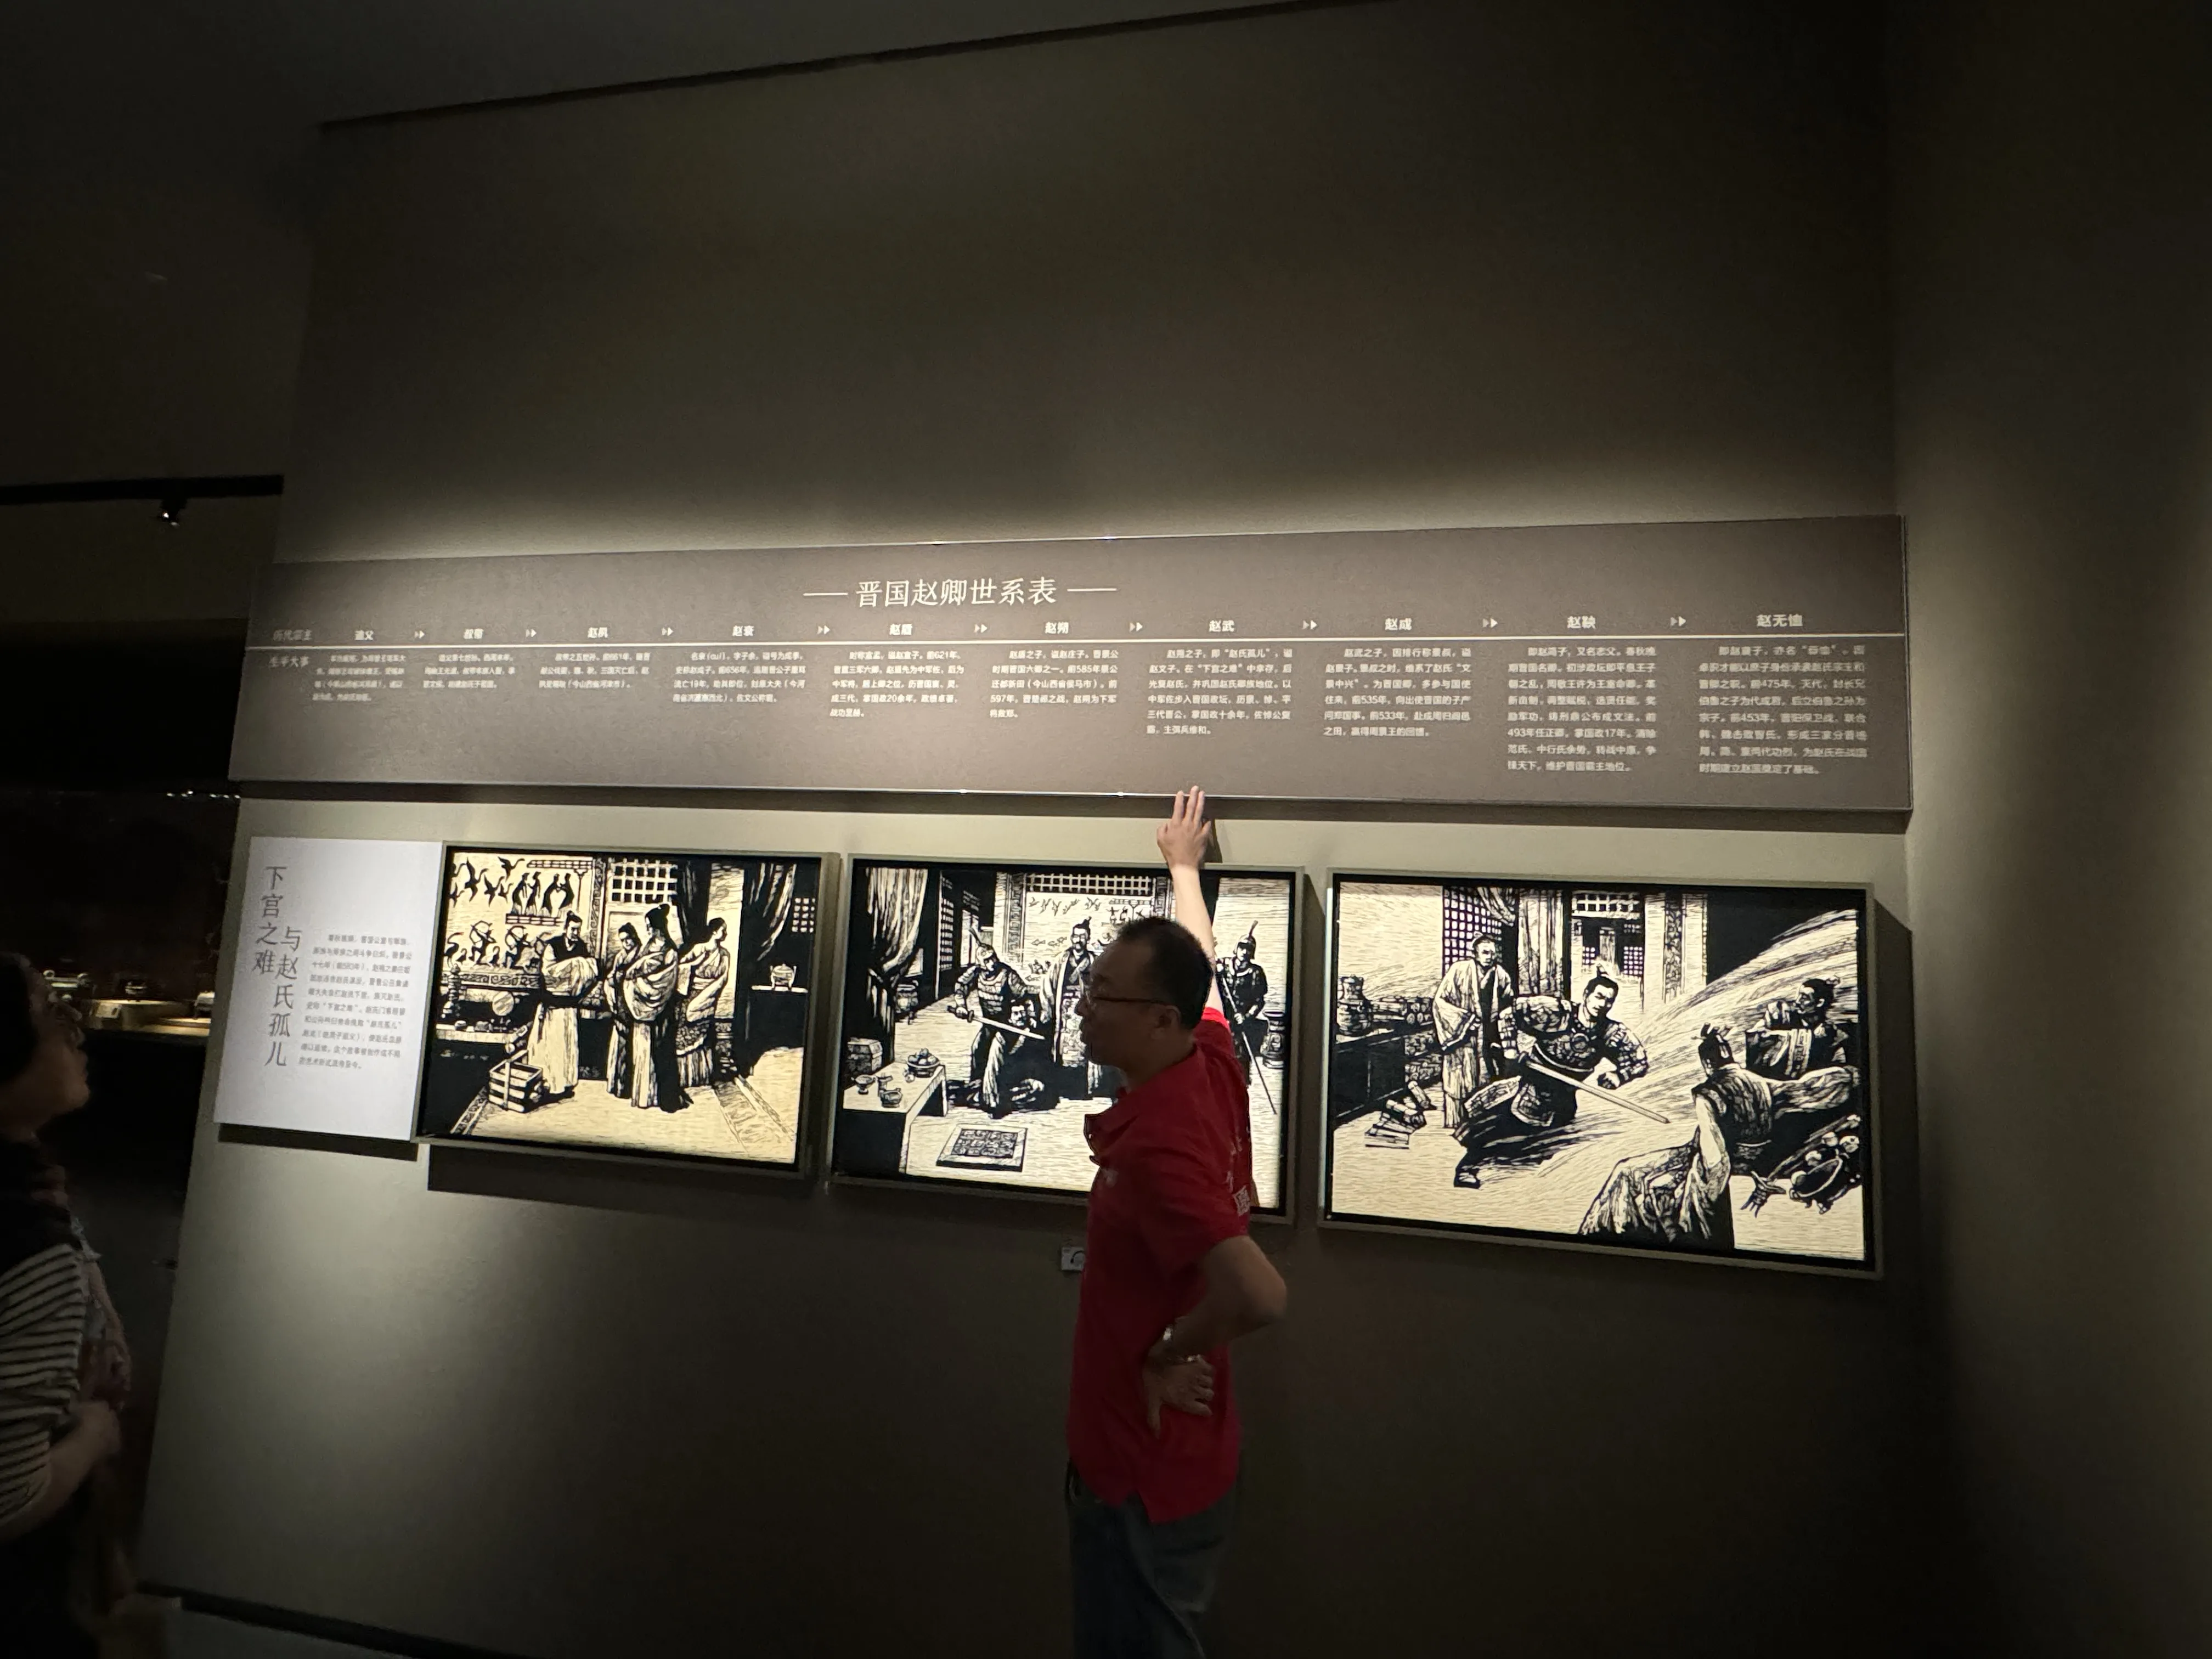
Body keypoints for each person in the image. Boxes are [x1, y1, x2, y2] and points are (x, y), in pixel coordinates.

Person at [1065, 788, 1288, 1659]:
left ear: (1158, 1020)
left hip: (1141, 1466)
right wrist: (1184, 870)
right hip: (1187, 1451)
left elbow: (1260, 1294)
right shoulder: (1207, 1057)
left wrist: (1165, 1352)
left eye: (1102, 995)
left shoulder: (1160, 1147)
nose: (1083, 1007)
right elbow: (1199, 968)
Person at [0, 955, 128, 1658]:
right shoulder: (27, 1242)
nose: (75, 1028)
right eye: (49, 1012)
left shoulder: (30, 1192)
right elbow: (11, 1498)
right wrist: (96, 1434)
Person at [1451, 974, 1648, 1189]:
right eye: (1599, 997)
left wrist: (1619, 1076)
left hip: (1563, 1099)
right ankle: (1468, 1167)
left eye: (1609, 1001)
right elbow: (1509, 1014)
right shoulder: (1556, 1012)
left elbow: (1639, 1061)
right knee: (1502, 1127)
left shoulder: (1611, 1032)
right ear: (1586, 995)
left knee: (1548, 1140)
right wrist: (1510, 1050)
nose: (1602, 1005)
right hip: (1533, 1087)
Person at [950, 929, 1041, 1118]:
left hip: (1008, 1026)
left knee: (995, 1054)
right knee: (977, 1049)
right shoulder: (976, 973)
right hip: (989, 1023)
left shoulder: (1007, 974)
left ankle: (992, 1101)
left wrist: (1030, 1018)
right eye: (987, 961)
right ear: (980, 963)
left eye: (993, 958)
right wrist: (961, 1006)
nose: (991, 963)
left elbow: (1025, 997)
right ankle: (977, 1089)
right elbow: (961, 987)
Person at [1431, 935, 1514, 1133]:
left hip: (1488, 1037)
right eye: (1485, 952)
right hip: (1463, 1038)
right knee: (1460, 1080)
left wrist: (1503, 1028)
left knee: (1486, 1079)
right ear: (1475, 953)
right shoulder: (1459, 970)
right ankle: (1456, 1123)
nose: (1490, 956)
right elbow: (1440, 1002)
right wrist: (1465, 1021)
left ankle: (1481, 1126)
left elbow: (1508, 1003)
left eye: (1493, 953)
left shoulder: (1501, 975)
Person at [612, 907, 685, 1112]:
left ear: (658, 927)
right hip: (641, 1010)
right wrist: (632, 980)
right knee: (642, 1052)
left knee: (662, 1051)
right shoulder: (648, 947)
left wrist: (636, 984)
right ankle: (644, 1096)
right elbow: (635, 969)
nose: (648, 930)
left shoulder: (670, 952)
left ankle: (666, 1099)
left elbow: (663, 982)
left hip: (662, 1010)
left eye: (650, 927)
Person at [526, 913, 596, 1101]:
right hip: (552, 1004)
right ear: (566, 929)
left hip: (569, 1005)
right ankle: (548, 1084)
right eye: (573, 929)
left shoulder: (581, 947)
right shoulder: (553, 946)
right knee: (551, 1046)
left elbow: (589, 971)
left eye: (578, 930)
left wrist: (577, 970)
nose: (575, 933)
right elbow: (549, 973)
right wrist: (574, 965)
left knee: (567, 1045)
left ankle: (565, 1084)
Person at [1043, 919, 1104, 1099]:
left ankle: (1080, 1090)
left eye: (1082, 937)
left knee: (1083, 1048)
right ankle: (1063, 1089)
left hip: (1083, 1010)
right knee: (1063, 1049)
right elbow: (1049, 984)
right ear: (1071, 938)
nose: (1078, 940)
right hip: (1063, 1011)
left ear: (1088, 939)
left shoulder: (1094, 961)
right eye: (1076, 936)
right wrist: (1048, 1009)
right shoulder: (1061, 960)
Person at [675, 916, 732, 1089]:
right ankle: (685, 1076)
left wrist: (707, 996)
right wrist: (695, 963)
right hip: (691, 994)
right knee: (685, 1032)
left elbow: (722, 979)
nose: (725, 934)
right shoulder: (699, 948)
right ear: (714, 932)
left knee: (704, 1032)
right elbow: (681, 966)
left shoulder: (724, 955)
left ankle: (703, 1075)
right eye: (723, 930)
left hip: (709, 997)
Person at [1213, 929, 1270, 1087]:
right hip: (1221, 1018)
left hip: (1242, 1022)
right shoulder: (1223, 965)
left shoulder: (1256, 973)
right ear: (1236, 949)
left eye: (1248, 950)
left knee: (1240, 1056)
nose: (1244, 952)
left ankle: (1240, 1086)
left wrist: (1247, 1017)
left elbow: (1259, 1002)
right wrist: (1216, 971)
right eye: (1242, 948)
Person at [602, 923, 642, 1096]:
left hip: (634, 1005)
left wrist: (624, 978)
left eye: (628, 939)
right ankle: (619, 1086)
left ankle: (631, 1088)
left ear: (634, 937)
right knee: (621, 1047)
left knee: (633, 1048)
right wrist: (614, 979)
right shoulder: (620, 956)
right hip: (621, 1004)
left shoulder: (641, 955)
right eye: (623, 940)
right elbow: (612, 976)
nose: (626, 943)